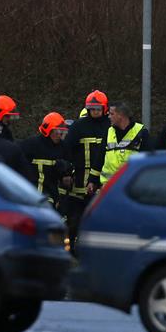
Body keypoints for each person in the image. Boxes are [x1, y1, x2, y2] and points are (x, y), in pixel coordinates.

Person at [63, 90, 111, 244]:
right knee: (76, 220)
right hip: (79, 183)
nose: (95, 112)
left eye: (97, 109)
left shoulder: (110, 126)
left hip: (103, 182)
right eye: (91, 109)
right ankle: (72, 247)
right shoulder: (78, 127)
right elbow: (66, 150)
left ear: (104, 109)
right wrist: (67, 172)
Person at [88, 102, 151, 193]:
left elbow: (147, 162)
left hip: (131, 189)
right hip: (108, 189)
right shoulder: (109, 132)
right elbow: (100, 158)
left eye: (111, 114)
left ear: (121, 115)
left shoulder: (141, 133)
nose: (109, 117)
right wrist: (92, 181)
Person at [19, 112, 73, 208]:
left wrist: (66, 171)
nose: (61, 135)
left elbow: (67, 180)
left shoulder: (64, 148)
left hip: (51, 196)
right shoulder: (31, 145)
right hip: (30, 194)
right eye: (58, 131)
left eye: (63, 131)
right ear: (48, 131)